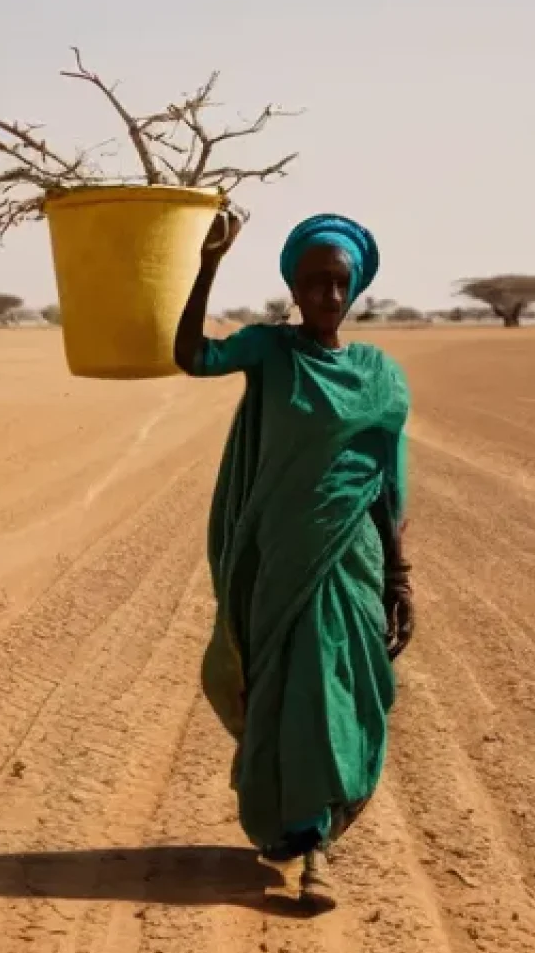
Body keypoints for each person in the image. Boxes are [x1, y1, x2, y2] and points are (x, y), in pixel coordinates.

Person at [174, 211, 413, 911]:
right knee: (286, 694)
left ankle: (318, 841)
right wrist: (207, 265)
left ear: (355, 287)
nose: (328, 297)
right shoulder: (270, 352)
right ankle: (305, 840)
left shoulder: (379, 375)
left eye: (339, 284)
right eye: (314, 282)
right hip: (279, 557)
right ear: (295, 287)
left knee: (340, 691)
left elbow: (384, 482)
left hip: (352, 559)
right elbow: (192, 355)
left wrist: (400, 577)